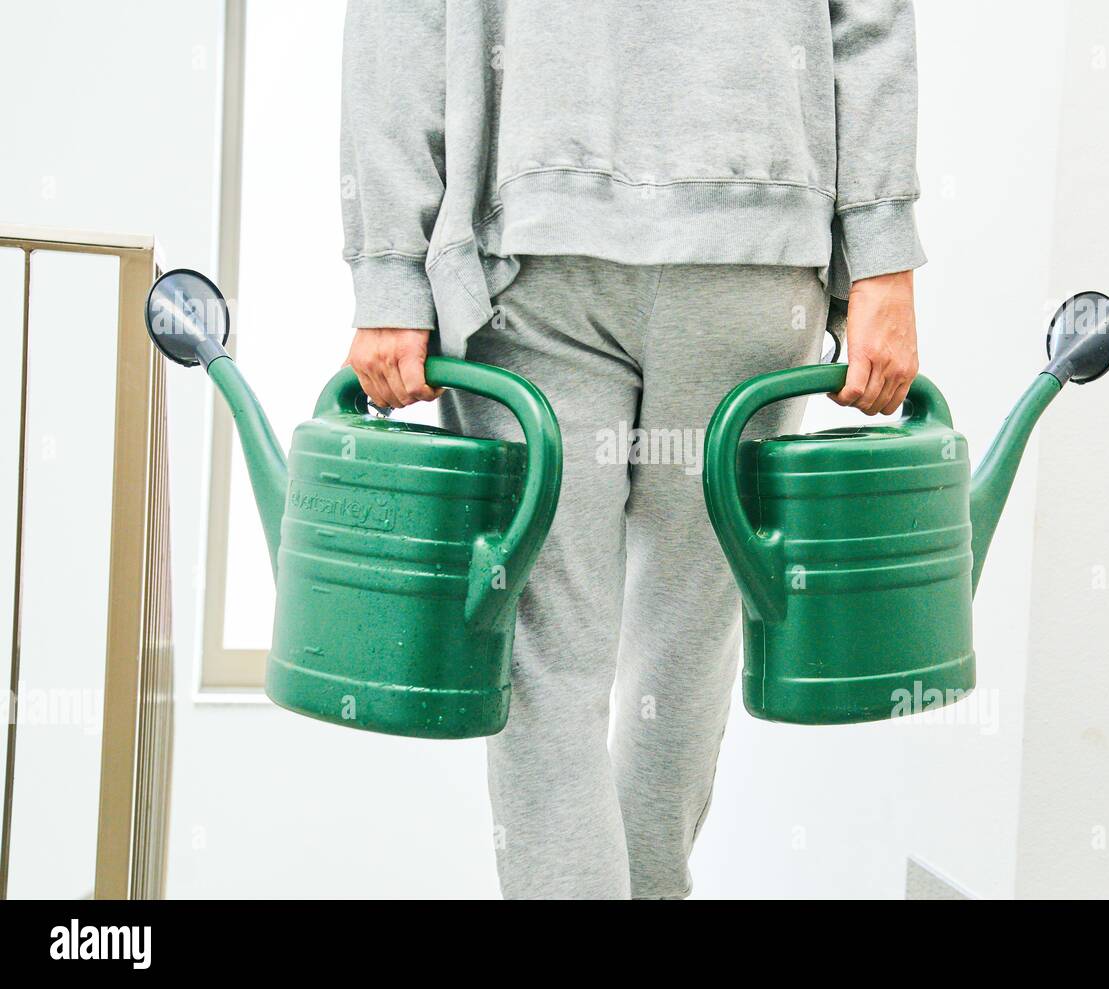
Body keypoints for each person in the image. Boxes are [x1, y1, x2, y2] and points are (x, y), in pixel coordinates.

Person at [339, 0, 924, 899]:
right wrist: (879, 260)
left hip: (554, 233)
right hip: (720, 232)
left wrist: (391, 270)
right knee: (664, 650)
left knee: (555, 654)